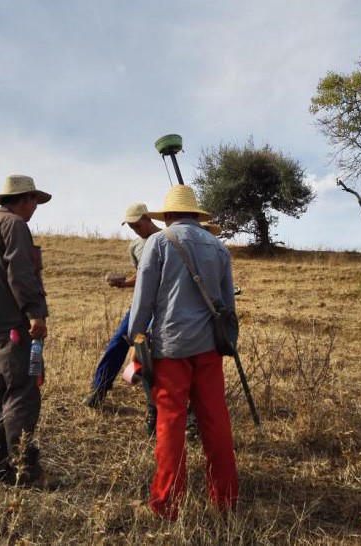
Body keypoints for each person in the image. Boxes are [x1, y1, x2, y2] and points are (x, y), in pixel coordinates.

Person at [128, 185, 238, 520]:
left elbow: (143, 296)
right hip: (209, 348)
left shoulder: (159, 242)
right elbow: (227, 307)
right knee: (216, 421)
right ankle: (226, 498)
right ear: (195, 214)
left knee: (170, 424)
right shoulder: (218, 247)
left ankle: (167, 503)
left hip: (171, 347)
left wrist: (136, 339)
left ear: (169, 215)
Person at [0, 174, 54, 487]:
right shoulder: (15, 225)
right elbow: (21, 272)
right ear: (24, 199)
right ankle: (23, 472)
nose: (36, 207)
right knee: (22, 393)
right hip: (13, 326)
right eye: (34, 200)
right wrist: (36, 313)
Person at [82, 203, 160, 408]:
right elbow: (142, 275)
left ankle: (155, 403)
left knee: (150, 352)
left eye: (137, 224)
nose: (135, 228)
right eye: (131, 226)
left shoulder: (165, 239)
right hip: (139, 305)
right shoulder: (135, 246)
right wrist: (124, 283)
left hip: (162, 306)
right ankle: (100, 389)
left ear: (148, 218)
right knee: (118, 342)